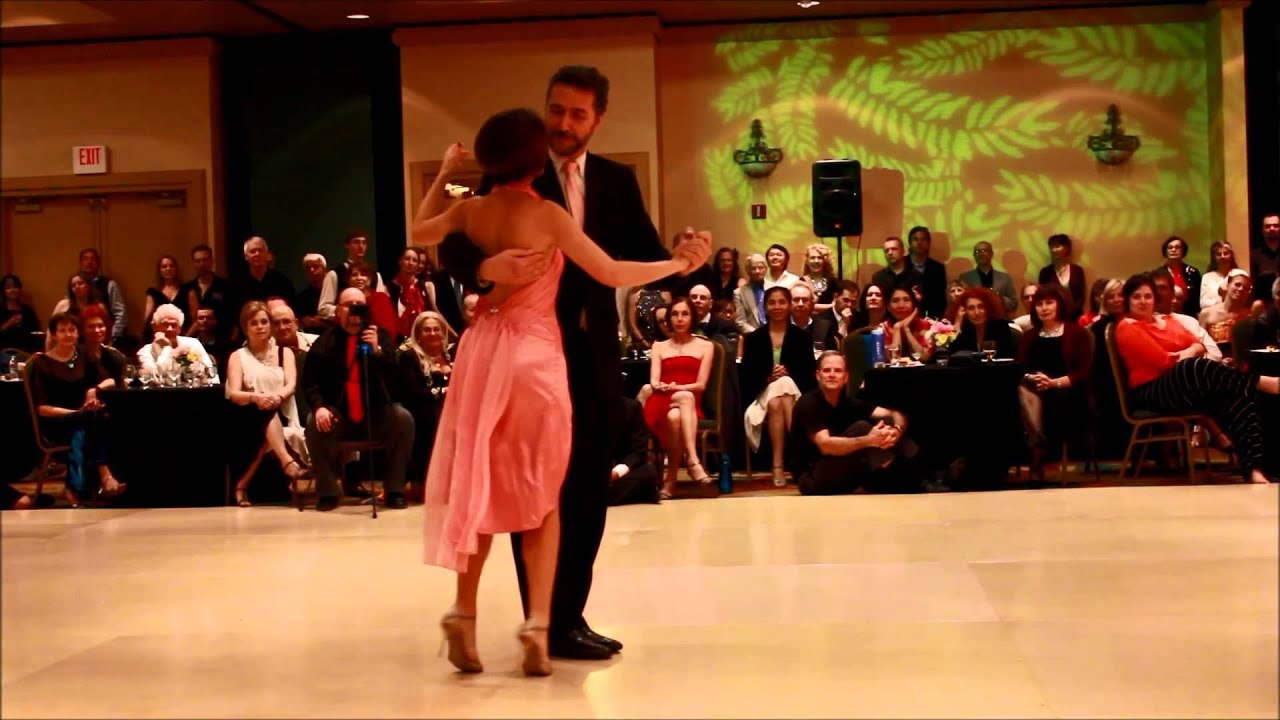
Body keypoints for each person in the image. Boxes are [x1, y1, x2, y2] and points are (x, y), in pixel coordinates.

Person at [412, 107, 708, 675]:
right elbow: (612, 272)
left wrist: (446, 169)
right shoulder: (547, 215)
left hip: (479, 352)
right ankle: (537, 623)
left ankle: (463, 612)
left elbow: (420, 232)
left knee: (477, 480)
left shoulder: (470, 210)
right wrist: (673, 263)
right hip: (533, 355)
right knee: (543, 493)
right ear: (532, 158)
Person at [1113, 274, 1277, 484]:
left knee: (1237, 399)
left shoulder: (1169, 320)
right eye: (1137, 297)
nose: (1143, 301)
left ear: (1155, 299)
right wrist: (1186, 354)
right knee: (1192, 366)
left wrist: (1186, 352)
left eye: (1148, 296)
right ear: (1128, 300)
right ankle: (1257, 382)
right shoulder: (1127, 326)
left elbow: (1198, 345)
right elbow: (1163, 361)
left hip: (1186, 385)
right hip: (1151, 391)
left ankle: (1254, 469)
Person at [302, 287, 414, 511]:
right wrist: (320, 407)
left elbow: (395, 380)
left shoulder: (380, 336)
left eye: (359, 305)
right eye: (348, 305)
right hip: (339, 414)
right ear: (338, 310)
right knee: (312, 423)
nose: (354, 310)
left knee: (403, 419)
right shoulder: (324, 342)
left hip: (376, 413)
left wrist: (378, 352)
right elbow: (311, 383)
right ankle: (327, 492)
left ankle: (394, 490)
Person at [790, 352, 922, 495]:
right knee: (862, 428)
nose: (832, 375)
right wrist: (869, 441)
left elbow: (894, 414)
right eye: (826, 370)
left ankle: (913, 471)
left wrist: (897, 430)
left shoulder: (848, 403)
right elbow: (825, 446)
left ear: (846, 377)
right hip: (813, 478)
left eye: (838, 371)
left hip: (843, 471)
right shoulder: (808, 403)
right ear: (818, 375)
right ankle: (902, 477)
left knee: (887, 425)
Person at [30, 312, 124, 505]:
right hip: (56, 420)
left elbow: (110, 380)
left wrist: (93, 390)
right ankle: (105, 476)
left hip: (86, 418)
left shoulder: (83, 354)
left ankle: (74, 488)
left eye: (72, 330)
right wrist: (76, 413)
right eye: (62, 330)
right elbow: (42, 409)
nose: (68, 334)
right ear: (53, 335)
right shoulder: (42, 363)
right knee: (92, 420)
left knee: (88, 424)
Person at [225, 301, 309, 507]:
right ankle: (287, 462)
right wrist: (256, 398)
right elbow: (234, 393)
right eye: (254, 323)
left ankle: (241, 486)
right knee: (264, 415)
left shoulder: (284, 353)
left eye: (264, 322)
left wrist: (277, 397)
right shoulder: (237, 357)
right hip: (248, 414)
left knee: (269, 414)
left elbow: (291, 384)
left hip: (281, 410)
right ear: (246, 328)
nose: (261, 326)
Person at [741, 287, 817, 486]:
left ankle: (777, 465)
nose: (777, 307)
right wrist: (768, 378)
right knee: (778, 392)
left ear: (789, 305)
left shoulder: (802, 337)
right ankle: (799, 459)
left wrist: (788, 374)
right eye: (772, 302)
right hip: (762, 395)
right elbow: (747, 377)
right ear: (765, 307)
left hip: (795, 394)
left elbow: (810, 375)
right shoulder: (754, 338)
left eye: (782, 302)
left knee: (780, 395)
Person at [1016, 285, 1093, 480]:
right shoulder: (1029, 337)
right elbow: (1020, 370)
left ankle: (1036, 455)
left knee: (1036, 399)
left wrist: (1053, 383)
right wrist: (1033, 379)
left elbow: (1083, 373)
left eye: (1049, 302)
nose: (1044, 308)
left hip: (1068, 393)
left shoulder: (1077, 333)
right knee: (1022, 391)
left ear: (1060, 305)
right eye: (1039, 304)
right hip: (1035, 390)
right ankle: (1037, 448)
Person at [641, 297, 714, 499]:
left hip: (689, 404)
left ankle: (670, 480)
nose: (679, 319)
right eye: (675, 314)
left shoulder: (706, 346)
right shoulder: (659, 346)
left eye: (685, 314)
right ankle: (693, 461)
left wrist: (678, 387)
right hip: (661, 399)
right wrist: (663, 386)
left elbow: (701, 385)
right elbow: (654, 381)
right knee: (683, 397)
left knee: (677, 414)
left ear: (692, 317)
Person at [396, 311, 454, 501]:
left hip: (453, 411)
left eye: (437, 329)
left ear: (444, 333)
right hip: (421, 413)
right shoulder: (409, 356)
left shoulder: (452, 355)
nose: (432, 333)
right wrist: (445, 392)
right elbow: (413, 394)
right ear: (418, 335)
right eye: (427, 330)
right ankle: (426, 483)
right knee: (433, 421)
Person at [318, 229, 387, 319]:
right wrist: (347, 310)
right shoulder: (334, 274)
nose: (361, 246)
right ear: (347, 245)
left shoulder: (376, 276)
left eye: (364, 243)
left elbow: (382, 305)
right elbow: (323, 308)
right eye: (356, 242)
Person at [607, 396, 660, 505]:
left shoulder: (631, 407)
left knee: (648, 472)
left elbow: (638, 451)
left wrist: (616, 473)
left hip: (618, 469)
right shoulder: (579, 407)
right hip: (589, 471)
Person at [135, 304, 214, 377]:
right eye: (165, 324)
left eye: (174, 325)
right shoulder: (144, 352)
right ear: (154, 327)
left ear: (180, 329)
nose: (170, 329)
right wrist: (167, 348)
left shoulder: (193, 343)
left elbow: (209, 370)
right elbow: (158, 376)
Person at [181, 244, 237, 339]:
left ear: (212, 261)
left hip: (220, 341)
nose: (202, 264)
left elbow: (233, 316)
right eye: (198, 261)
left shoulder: (226, 286)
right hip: (193, 341)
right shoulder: (186, 289)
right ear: (194, 263)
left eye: (205, 260)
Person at [76, 248, 127, 341]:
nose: (89, 262)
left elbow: (120, 313)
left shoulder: (109, 284)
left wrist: (112, 335)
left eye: (93, 259)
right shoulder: (75, 284)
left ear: (98, 263)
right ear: (80, 263)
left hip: (104, 335)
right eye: (85, 259)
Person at [951, 286, 1016, 359]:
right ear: (964, 311)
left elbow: (1008, 357)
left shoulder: (1001, 326)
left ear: (988, 308)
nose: (977, 312)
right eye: (971, 308)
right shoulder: (963, 328)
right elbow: (953, 358)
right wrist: (957, 324)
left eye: (981, 307)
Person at [233, 237, 295, 307]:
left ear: (267, 254)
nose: (257, 254)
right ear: (246, 256)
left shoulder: (283, 282)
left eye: (260, 250)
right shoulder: (237, 285)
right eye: (252, 251)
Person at [958, 241, 1017, 314]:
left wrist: (998, 297)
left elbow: (1014, 304)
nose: (981, 253)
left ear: (991, 254)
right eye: (977, 251)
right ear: (974, 255)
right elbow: (961, 303)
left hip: (999, 320)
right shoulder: (965, 278)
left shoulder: (1004, 278)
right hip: (973, 321)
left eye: (984, 251)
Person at [1037, 234, 1086, 321]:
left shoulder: (1077, 270)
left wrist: (1071, 312)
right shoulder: (1045, 272)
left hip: (1076, 317)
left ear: (1066, 248)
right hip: (1053, 317)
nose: (1053, 250)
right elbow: (1042, 296)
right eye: (1051, 247)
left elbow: (1081, 297)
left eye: (1057, 246)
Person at [1198, 269, 1253, 343]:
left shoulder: (1248, 316)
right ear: (1227, 285)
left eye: (1246, 288)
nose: (1241, 289)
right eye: (1237, 285)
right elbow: (1200, 343)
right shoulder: (1206, 313)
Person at [904, 225, 947, 318]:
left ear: (928, 243)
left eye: (923, 239)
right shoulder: (901, 265)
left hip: (931, 318)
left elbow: (940, 299)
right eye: (915, 239)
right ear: (910, 243)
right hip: (903, 317)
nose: (919, 242)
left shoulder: (938, 268)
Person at [79, 305, 127, 385]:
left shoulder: (116, 357)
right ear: (82, 330)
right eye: (91, 326)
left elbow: (120, 386)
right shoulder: (75, 356)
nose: (97, 330)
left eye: (100, 326)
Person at [882, 287, 933, 362]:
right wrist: (897, 327)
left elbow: (924, 358)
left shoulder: (924, 324)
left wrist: (906, 329)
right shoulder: (883, 327)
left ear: (913, 305)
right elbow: (893, 359)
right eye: (895, 301)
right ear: (888, 308)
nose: (901, 305)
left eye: (906, 300)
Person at [1156, 235, 1201, 317]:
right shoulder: (1158, 274)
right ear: (1165, 251)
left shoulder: (1193, 272)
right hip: (1164, 314)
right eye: (1170, 248)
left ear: (1183, 251)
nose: (1173, 250)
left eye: (1177, 247)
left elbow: (1197, 298)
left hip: (1189, 314)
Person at [141, 255, 183, 332]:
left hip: (185, 335)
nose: (168, 269)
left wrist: (186, 338)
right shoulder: (153, 292)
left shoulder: (186, 290)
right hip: (160, 334)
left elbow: (194, 319)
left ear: (176, 269)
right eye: (164, 266)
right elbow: (148, 320)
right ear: (159, 270)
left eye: (171, 266)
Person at [624, 281, 670, 350]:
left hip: (663, 342)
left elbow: (670, 319)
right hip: (642, 343)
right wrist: (643, 341)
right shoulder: (635, 295)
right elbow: (632, 323)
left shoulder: (665, 293)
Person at [790, 283, 837, 350]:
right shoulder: (780, 327)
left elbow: (831, 356)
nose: (800, 304)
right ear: (789, 303)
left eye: (805, 300)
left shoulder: (824, 327)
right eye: (796, 300)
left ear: (812, 304)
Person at [1, 274, 40, 351]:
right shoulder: (1, 310)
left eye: (15, 287)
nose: (13, 290)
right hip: (4, 352)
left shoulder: (27, 310)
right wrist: (8, 324)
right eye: (8, 288)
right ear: (3, 291)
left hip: (26, 352)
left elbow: (36, 332)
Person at [733, 253, 767, 335]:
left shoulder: (774, 289)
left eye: (760, 267)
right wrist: (758, 334)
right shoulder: (739, 293)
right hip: (753, 337)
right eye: (753, 268)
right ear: (748, 271)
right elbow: (740, 322)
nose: (757, 271)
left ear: (766, 269)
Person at [1199, 241, 1239, 311]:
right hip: (1214, 316)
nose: (1222, 257)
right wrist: (1221, 300)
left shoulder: (1240, 275)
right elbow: (1203, 303)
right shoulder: (1207, 277)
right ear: (1214, 257)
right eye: (1219, 254)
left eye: (1226, 253)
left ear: (1231, 255)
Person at [295, 253, 330, 332]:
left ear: (325, 269)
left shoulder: (336, 292)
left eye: (315, 266)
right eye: (308, 268)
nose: (311, 270)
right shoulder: (302, 297)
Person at [1250, 213, 1279, 303]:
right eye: (1268, 226)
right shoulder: (1254, 256)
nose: (1272, 229)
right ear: (1263, 230)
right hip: (1264, 306)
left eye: (1276, 226)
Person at [801, 244, 837, 313]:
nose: (816, 261)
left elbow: (837, 305)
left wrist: (814, 306)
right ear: (807, 261)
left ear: (825, 261)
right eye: (812, 258)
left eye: (820, 258)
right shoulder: (801, 282)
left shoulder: (834, 282)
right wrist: (830, 306)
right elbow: (803, 306)